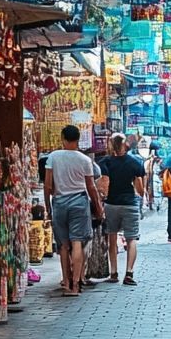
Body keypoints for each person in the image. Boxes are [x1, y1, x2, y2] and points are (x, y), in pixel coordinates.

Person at [44, 125, 105, 296]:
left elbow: (48, 185)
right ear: (78, 139)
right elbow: (91, 187)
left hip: (60, 202)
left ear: (63, 138)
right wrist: (99, 208)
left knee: (63, 246)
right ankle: (76, 285)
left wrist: (48, 207)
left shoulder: (53, 157)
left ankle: (66, 282)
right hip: (79, 201)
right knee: (77, 242)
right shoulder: (85, 160)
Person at [98, 132, 146, 285]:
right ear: (126, 145)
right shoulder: (134, 163)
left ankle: (113, 273)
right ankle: (129, 273)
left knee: (112, 238)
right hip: (130, 204)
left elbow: (104, 184)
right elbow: (140, 189)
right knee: (131, 239)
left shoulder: (105, 162)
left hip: (111, 204)